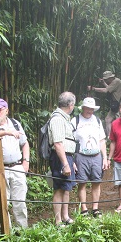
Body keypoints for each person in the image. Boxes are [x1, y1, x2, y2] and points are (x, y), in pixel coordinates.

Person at [0, 98, 30, 229]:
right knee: (2, 202)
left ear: (6, 111)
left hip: (17, 166)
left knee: (20, 201)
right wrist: (8, 132)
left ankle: (23, 231)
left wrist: (26, 161)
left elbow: (24, 143)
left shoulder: (15, 124)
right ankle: (6, 233)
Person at [72, 97, 108, 217]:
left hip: (96, 155)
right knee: (82, 182)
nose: (90, 111)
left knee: (96, 182)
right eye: (88, 108)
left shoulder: (97, 121)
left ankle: (95, 208)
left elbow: (102, 140)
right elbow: (70, 142)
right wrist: (72, 161)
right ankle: (84, 209)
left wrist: (105, 158)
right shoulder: (75, 120)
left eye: (92, 109)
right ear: (83, 108)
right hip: (81, 156)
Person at [48, 91, 77, 226]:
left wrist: (71, 162)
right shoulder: (58, 119)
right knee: (59, 188)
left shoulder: (64, 118)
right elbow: (58, 144)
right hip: (60, 158)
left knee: (66, 187)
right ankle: (58, 221)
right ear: (70, 105)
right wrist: (65, 164)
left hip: (66, 157)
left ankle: (65, 216)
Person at [87, 70, 121, 136]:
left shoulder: (116, 82)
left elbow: (106, 90)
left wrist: (93, 88)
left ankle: (120, 137)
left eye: (106, 80)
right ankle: (109, 137)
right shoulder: (114, 81)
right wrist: (103, 83)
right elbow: (109, 88)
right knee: (108, 120)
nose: (106, 81)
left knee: (119, 122)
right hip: (115, 104)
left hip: (120, 105)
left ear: (110, 78)